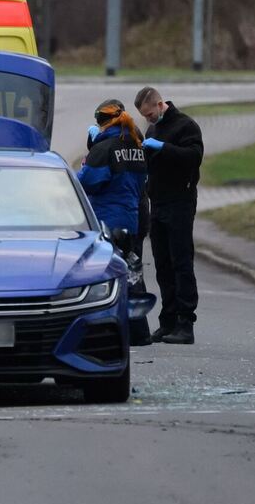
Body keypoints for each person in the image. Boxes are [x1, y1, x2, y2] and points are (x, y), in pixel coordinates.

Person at [134, 86, 204, 345]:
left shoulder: (186, 126)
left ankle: (186, 322)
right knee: (162, 265)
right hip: (158, 203)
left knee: (181, 262)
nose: (148, 120)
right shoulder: (153, 130)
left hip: (180, 202)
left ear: (161, 104)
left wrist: (164, 147)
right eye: (145, 117)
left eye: (150, 115)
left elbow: (193, 157)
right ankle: (168, 320)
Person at [77, 100, 150, 345]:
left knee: (107, 276)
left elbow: (87, 182)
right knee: (132, 273)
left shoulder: (105, 147)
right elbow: (141, 183)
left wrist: (84, 165)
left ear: (102, 123)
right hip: (131, 216)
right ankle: (139, 332)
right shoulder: (135, 144)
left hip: (108, 219)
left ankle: (110, 331)